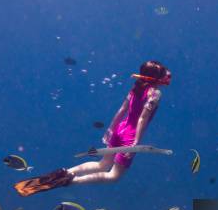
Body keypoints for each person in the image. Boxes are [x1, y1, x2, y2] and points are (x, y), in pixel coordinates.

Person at [14, 60, 171, 196]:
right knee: (113, 176)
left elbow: (121, 111)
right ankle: (70, 181)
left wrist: (110, 130)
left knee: (102, 164)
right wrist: (136, 143)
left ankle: (66, 172)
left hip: (119, 130)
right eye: (164, 73)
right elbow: (142, 118)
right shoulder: (155, 94)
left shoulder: (135, 89)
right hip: (129, 137)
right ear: (157, 78)